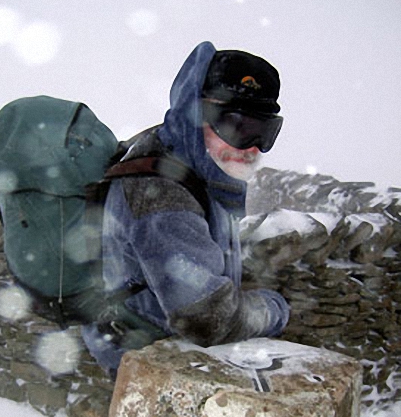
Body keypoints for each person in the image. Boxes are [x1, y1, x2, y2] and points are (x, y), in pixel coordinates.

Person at [82, 41, 289, 378]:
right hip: (146, 362)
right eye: (237, 126)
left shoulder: (190, 159)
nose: (252, 147)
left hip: (162, 348)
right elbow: (206, 317)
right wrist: (275, 309)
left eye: (265, 132)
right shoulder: (160, 192)